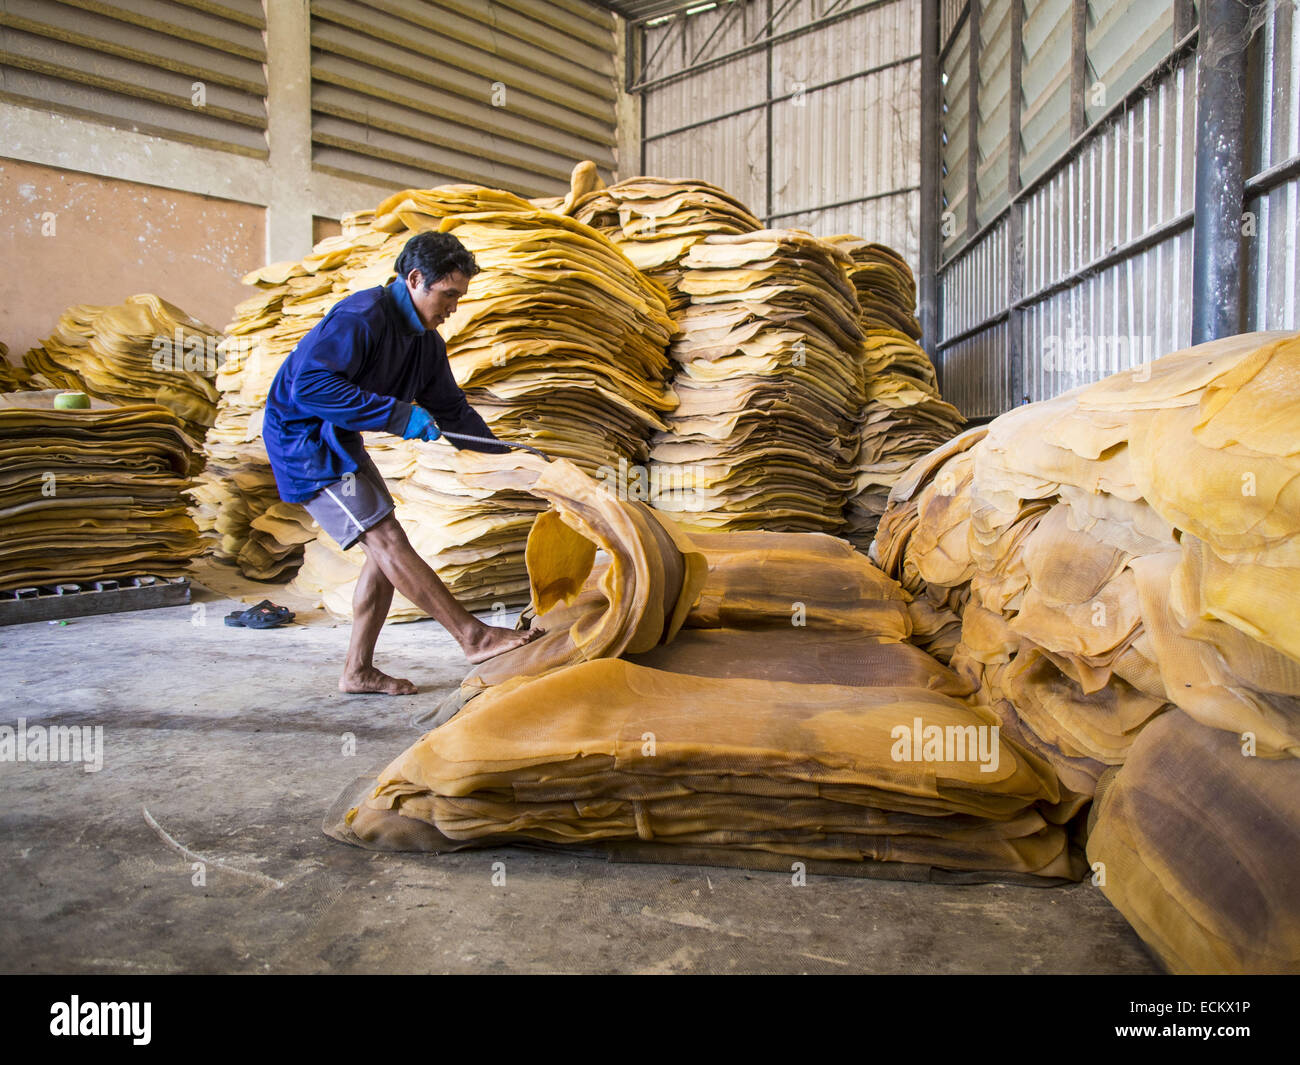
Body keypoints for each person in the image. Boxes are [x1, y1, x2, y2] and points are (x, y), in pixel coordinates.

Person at [262, 231, 544, 695]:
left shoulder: (426, 342)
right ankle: (472, 637)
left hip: (338, 439)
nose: (454, 306)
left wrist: (504, 458)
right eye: (449, 294)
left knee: (384, 555)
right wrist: (397, 415)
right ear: (415, 279)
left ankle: (357, 670)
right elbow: (308, 389)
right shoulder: (362, 316)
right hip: (305, 444)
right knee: (387, 539)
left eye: (460, 296)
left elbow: (452, 409)